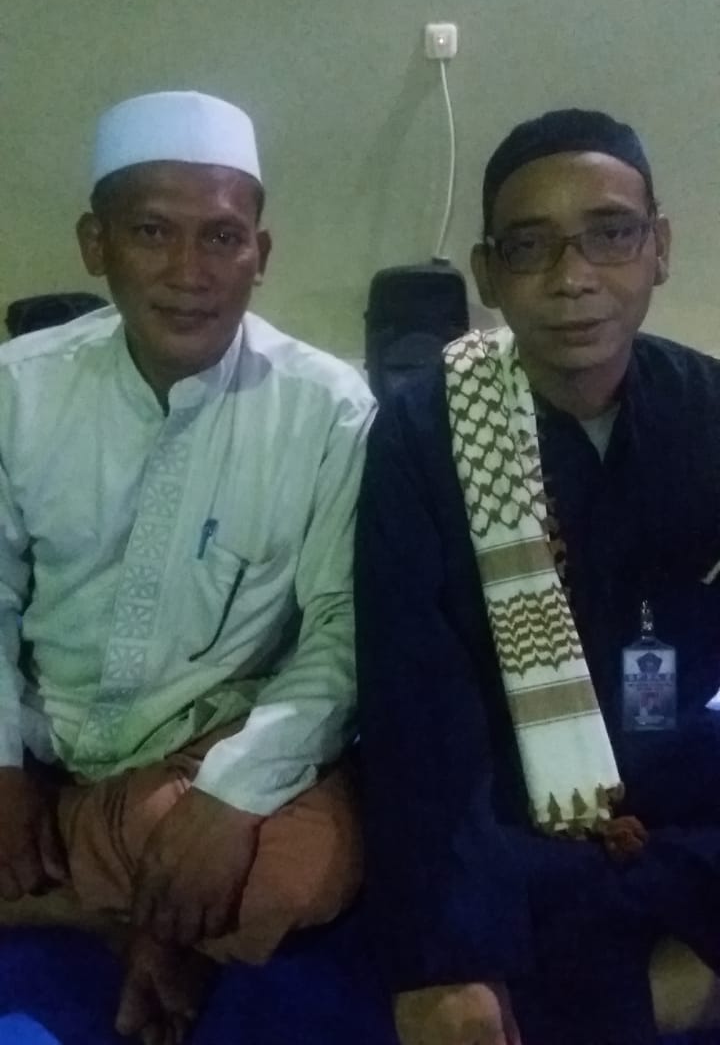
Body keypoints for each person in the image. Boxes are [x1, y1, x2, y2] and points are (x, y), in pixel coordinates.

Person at [0, 90, 374, 1043]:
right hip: (44, 748)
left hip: (205, 747)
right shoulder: (18, 390)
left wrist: (227, 799)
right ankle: (129, 915)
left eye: (222, 238)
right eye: (152, 232)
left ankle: (66, 889)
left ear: (261, 252)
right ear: (95, 244)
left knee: (309, 868)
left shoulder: (329, 409)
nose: (189, 273)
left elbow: (340, 629)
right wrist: (1, 767)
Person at [355, 108, 720, 1044]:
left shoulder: (712, 412)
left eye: (611, 234)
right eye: (530, 246)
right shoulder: (426, 434)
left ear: (661, 248)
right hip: (510, 827)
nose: (573, 278)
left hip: (688, 805)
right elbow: (416, 706)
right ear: (487, 274)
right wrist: (454, 957)